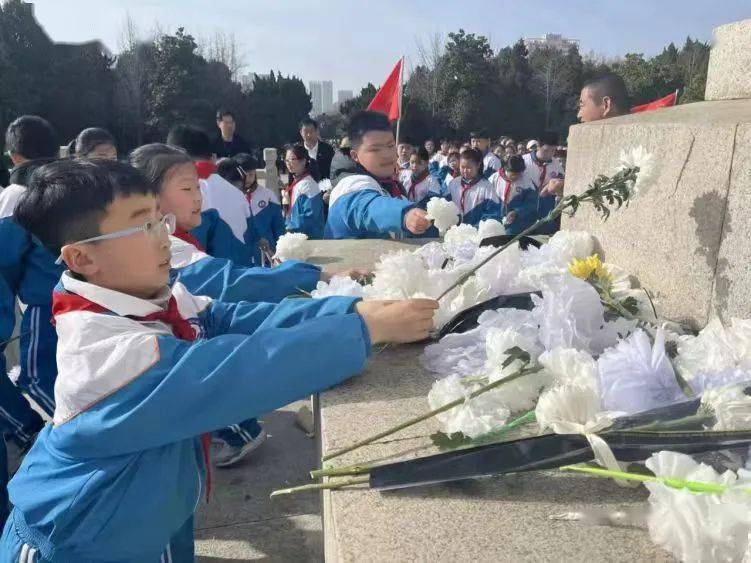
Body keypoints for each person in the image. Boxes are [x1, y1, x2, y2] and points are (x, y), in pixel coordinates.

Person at [0, 157, 438, 561]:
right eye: (144, 226)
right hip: (69, 543)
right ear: (81, 257)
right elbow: (243, 370)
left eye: (160, 220)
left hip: (140, 516)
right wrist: (364, 331)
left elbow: (234, 317)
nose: (165, 239)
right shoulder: (106, 356)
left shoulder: (147, 298)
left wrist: (352, 310)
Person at [325, 111, 432, 239]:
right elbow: (368, 208)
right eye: (375, 149)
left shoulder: (389, 183)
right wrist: (404, 214)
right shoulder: (351, 185)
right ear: (355, 156)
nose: (387, 154)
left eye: (390, 146)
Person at [167, 125, 255, 264]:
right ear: (211, 156)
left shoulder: (184, 193)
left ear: (177, 155)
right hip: (241, 276)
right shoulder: (238, 194)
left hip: (204, 279)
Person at [217, 154, 286, 264]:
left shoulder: (268, 196)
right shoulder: (229, 198)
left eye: (251, 174)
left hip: (266, 257)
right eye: (244, 175)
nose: (248, 179)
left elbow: (279, 227)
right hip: (239, 259)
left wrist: (281, 251)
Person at [522, 131, 565, 235]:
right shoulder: (523, 162)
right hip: (524, 213)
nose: (549, 154)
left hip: (546, 216)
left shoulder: (556, 165)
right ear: (537, 146)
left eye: (553, 151)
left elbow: (562, 187)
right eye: (546, 151)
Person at [446, 148, 500, 227]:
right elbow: (446, 205)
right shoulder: (453, 183)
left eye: (469, 168)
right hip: (455, 232)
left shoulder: (486, 187)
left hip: (476, 233)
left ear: (478, 165)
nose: (465, 171)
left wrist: (478, 227)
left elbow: (493, 213)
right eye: (462, 167)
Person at [282, 144, 325, 239]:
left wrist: (287, 226)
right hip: (298, 237)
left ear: (303, 161)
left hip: (309, 239)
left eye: (292, 159)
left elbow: (310, 217)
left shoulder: (308, 185)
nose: (288, 163)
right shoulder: (298, 181)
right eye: (286, 160)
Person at [490, 155, 537, 235]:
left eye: (519, 174)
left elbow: (532, 203)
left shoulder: (527, 181)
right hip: (496, 219)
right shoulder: (494, 179)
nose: (516, 177)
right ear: (505, 169)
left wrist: (517, 212)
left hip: (518, 223)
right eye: (513, 174)